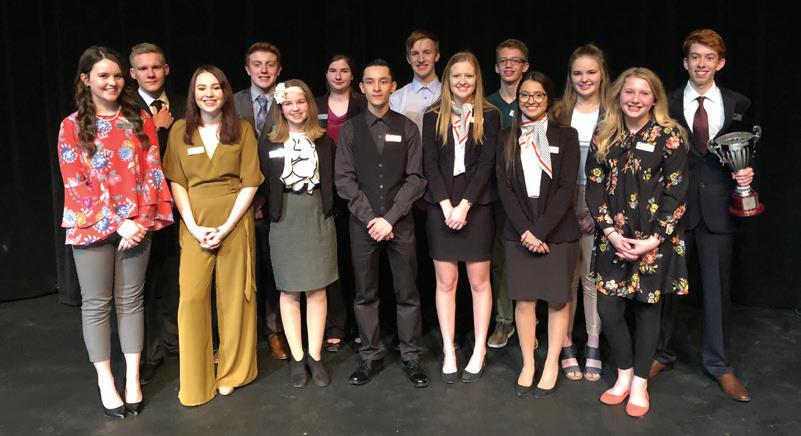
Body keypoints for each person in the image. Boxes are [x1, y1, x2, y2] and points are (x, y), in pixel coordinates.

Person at [57, 46, 173, 418]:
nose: (112, 82)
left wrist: (141, 220)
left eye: (118, 75)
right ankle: (106, 381)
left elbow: (153, 172)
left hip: (137, 225)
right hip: (92, 226)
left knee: (131, 301)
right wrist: (116, 221)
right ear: (85, 79)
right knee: (96, 304)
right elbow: (75, 182)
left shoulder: (139, 119)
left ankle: (133, 378)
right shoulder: (72, 125)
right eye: (103, 75)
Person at [651, 29, 755, 402]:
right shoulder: (666, 103)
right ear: (685, 62)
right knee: (667, 288)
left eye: (709, 58)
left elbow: (747, 150)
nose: (701, 64)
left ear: (720, 63)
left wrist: (747, 172)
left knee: (717, 290)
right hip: (674, 209)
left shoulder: (738, 103)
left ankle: (719, 364)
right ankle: (660, 353)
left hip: (718, 209)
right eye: (695, 57)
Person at [586, 67, 689, 417]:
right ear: (618, 95)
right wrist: (610, 232)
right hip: (612, 238)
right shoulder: (605, 134)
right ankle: (624, 375)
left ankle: (640, 384)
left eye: (643, 93)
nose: (635, 99)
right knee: (608, 310)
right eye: (629, 92)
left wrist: (654, 239)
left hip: (654, 241)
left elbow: (677, 190)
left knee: (647, 311)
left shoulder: (670, 136)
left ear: (654, 98)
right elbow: (594, 185)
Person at [163, 65, 264, 406]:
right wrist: (193, 226)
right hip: (195, 224)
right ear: (193, 94)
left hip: (234, 222)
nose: (209, 94)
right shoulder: (180, 130)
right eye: (202, 88)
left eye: (216, 87)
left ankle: (232, 373)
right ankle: (196, 379)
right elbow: (177, 182)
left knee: (235, 299)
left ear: (225, 92)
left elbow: (250, 181)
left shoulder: (242, 129)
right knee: (191, 299)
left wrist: (227, 225)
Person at [335, 59, 429, 388]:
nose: (377, 88)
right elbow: (344, 179)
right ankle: (371, 355)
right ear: (361, 87)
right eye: (370, 82)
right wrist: (371, 218)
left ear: (393, 86)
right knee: (365, 294)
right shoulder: (350, 130)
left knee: (407, 292)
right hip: (363, 225)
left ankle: (411, 355)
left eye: (383, 81)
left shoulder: (408, 128)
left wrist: (389, 218)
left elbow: (416, 178)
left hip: (400, 224)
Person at [496, 71, 580, 398]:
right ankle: (529, 363)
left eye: (538, 95)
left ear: (549, 99)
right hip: (519, 229)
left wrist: (540, 230)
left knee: (558, 299)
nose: (531, 101)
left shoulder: (566, 136)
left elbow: (566, 189)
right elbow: (504, 189)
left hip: (556, 230)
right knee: (525, 299)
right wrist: (526, 231)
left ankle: (551, 364)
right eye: (524, 95)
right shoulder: (506, 137)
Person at [422, 52, 498, 383]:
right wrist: (446, 206)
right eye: (456, 76)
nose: (462, 81)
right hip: (441, 208)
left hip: (476, 208)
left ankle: (479, 348)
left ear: (477, 79)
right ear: (447, 80)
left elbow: (486, 165)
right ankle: (449, 350)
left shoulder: (490, 115)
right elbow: (430, 164)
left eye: (468, 75)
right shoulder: (432, 115)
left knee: (479, 283)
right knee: (446, 282)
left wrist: (464, 206)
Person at [261, 80, 338, 388]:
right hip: (285, 216)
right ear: (281, 108)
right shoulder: (269, 142)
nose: (295, 108)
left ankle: (314, 355)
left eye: (300, 102)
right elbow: (262, 181)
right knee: (290, 290)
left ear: (309, 105)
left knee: (317, 289)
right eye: (289, 103)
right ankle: (296, 356)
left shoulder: (323, 140)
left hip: (316, 213)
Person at [552, 43, 610, 382]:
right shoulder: (559, 111)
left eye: (591, 72)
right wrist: (560, 209)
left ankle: (592, 342)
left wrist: (599, 213)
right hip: (563, 198)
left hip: (599, 198)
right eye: (577, 73)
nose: (584, 78)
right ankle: (564, 344)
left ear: (602, 75)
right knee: (566, 277)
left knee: (591, 277)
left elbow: (620, 167)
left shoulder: (613, 111)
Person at [129, 42, 185, 385]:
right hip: (142, 211)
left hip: (177, 208)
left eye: (156, 67)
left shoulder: (182, 104)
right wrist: (158, 128)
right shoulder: (124, 108)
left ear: (166, 69)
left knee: (174, 279)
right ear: (132, 73)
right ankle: (149, 354)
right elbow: (131, 160)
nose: (150, 73)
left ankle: (175, 343)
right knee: (145, 285)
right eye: (143, 68)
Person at [233, 42, 290, 361]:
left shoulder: (289, 101)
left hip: (277, 199)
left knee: (274, 270)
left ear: (279, 69)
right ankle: (241, 335)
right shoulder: (232, 102)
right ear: (247, 68)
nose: (264, 70)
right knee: (240, 271)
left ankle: (274, 330)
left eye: (270, 64)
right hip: (237, 200)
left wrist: (266, 197)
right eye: (257, 64)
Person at [315, 54, 367, 353]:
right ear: (326, 74)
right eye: (333, 70)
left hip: (359, 192)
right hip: (325, 193)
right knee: (332, 260)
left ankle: (361, 323)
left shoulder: (363, 104)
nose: (338, 75)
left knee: (358, 261)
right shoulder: (314, 106)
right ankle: (337, 322)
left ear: (352, 76)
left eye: (344, 70)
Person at [486, 38, 530, 349]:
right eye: (503, 60)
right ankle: (504, 319)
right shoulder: (487, 106)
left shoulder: (536, 100)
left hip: (532, 197)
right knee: (499, 259)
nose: (509, 65)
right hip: (497, 196)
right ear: (496, 66)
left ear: (525, 66)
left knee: (530, 259)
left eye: (515, 60)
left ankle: (531, 321)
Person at [389, 29, 442, 136]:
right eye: (415, 54)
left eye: (427, 52)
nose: (421, 59)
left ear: (436, 56)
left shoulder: (450, 95)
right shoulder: (396, 98)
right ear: (408, 59)